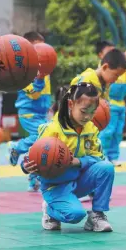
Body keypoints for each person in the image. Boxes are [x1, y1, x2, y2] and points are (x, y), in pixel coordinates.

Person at [21, 83, 114, 232]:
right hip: (55, 186)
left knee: (107, 167)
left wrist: (79, 162)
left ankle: (97, 216)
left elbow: (99, 157)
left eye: (92, 112)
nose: (88, 117)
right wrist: (25, 167)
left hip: (78, 181)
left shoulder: (91, 129)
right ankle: (50, 211)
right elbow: (31, 155)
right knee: (76, 215)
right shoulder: (52, 129)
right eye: (84, 111)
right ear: (71, 104)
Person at [7, 31, 51, 192]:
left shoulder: (44, 66)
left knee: (40, 145)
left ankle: (34, 179)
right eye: (37, 47)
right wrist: (39, 79)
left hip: (41, 112)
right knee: (42, 136)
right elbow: (34, 92)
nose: (42, 51)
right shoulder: (23, 69)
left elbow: (45, 92)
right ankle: (17, 147)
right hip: (28, 112)